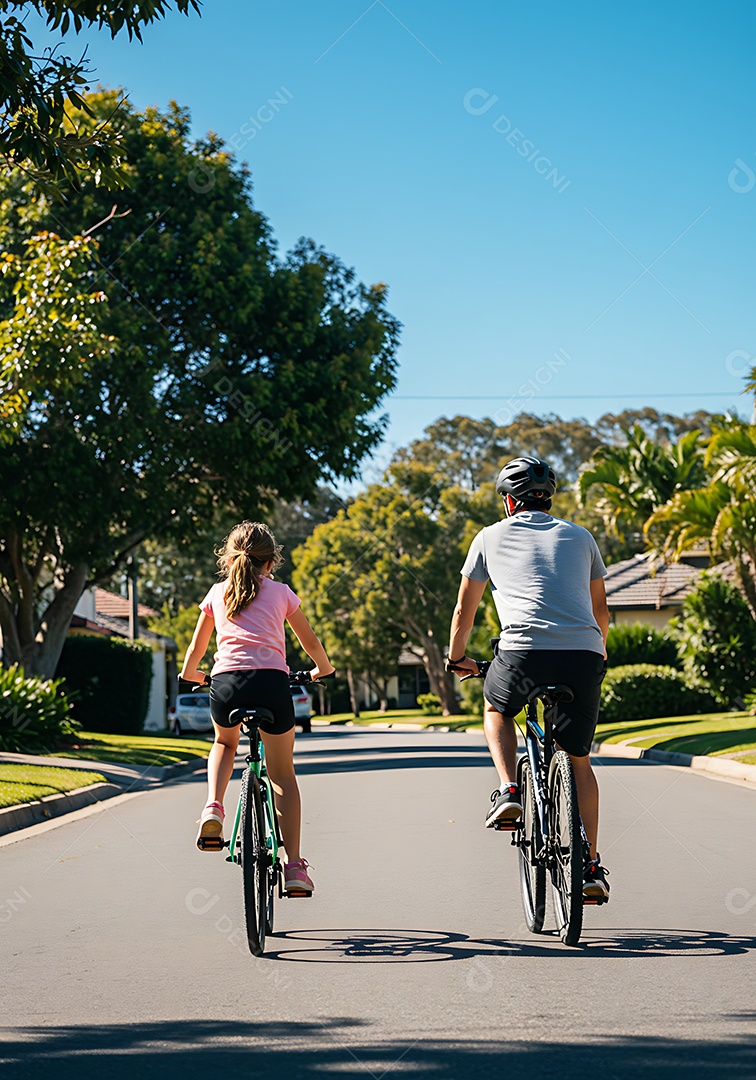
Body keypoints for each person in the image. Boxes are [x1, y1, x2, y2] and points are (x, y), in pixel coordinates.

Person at [447, 456, 611, 901]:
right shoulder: (581, 536)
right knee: (579, 759)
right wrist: (598, 652)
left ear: (507, 500)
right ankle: (590, 865)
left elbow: (465, 610)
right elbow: (601, 612)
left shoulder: (487, 538)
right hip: (583, 656)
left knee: (496, 709)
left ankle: (509, 789)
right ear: (548, 498)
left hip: (522, 655)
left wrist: (456, 657)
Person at [180, 520, 334, 895]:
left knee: (224, 744)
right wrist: (322, 669)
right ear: (271, 562)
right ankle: (294, 866)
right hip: (271, 684)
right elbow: (309, 641)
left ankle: (213, 807)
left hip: (227, 685)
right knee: (282, 773)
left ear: (229, 558)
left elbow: (194, 655)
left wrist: (195, 675)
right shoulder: (281, 592)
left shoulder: (218, 593)